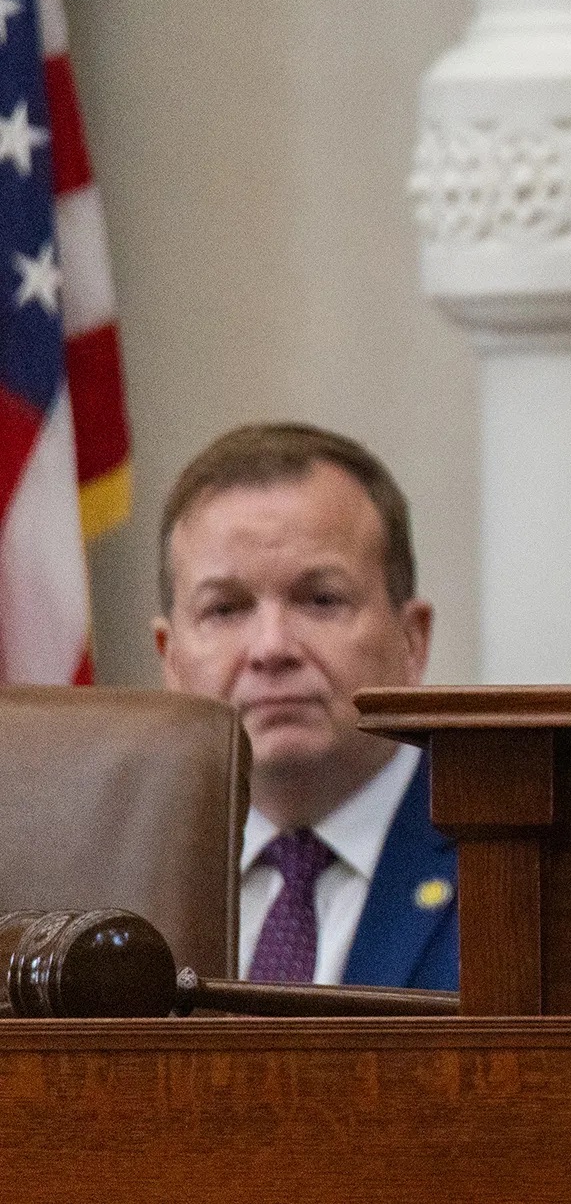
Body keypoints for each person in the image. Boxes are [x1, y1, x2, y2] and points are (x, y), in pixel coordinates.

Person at [156, 423, 458, 992]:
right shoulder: (113, 872)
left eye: (321, 599)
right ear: (169, 658)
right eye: (225, 609)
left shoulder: (513, 859)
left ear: (412, 639)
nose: (271, 648)